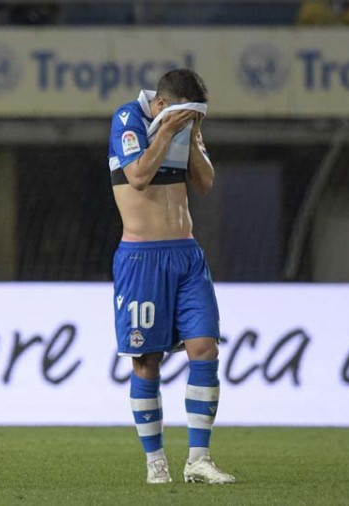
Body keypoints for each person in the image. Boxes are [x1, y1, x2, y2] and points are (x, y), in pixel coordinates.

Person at [107, 69, 236, 485]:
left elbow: (205, 182)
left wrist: (193, 135)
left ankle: (199, 458)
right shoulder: (129, 120)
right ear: (162, 105)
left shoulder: (185, 127)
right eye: (184, 112)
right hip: (142, 258)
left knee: (205, 348)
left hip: (187, 254)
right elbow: (139, 177)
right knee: (147, 362)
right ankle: (155, 462)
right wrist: (165, 132)